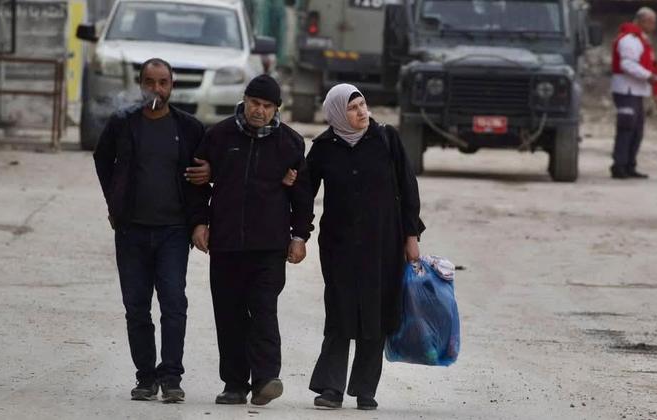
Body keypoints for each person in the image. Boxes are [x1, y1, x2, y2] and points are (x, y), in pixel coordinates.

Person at [191, 75, 314, 406]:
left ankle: (265, 379)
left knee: (262, 309)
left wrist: (299, 236)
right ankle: (234, 383)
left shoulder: (289, 143)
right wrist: (200, 222)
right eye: (254, 103)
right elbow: (196, 182)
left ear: (276, 109)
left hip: (269, 245)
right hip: (227, 242)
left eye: (267, 106)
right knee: (229, 313)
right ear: (244, 101)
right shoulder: (218, 136)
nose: (259, 111)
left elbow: (302, 196)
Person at [93, 57, 211, 403]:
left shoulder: (189, 128)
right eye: (149, 82)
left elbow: (205, 170)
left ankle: (171, 377)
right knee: (136, 307)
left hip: (174, 231)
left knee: (174, 303)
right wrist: (115, 202)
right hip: (131, 231)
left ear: (172, 85)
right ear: (140, 84)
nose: (156, 89)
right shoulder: (123, 123)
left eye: (163, 82)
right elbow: (103, 159)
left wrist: (207, 182)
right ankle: (145, 377)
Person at [306, 84, 425, 410]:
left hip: (384, 242)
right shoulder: (324, 147)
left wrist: (411, 236)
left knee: (376, 315)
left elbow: (408, 188)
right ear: (336, 114)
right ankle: (330, 389)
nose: (361, 112)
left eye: (363, 105)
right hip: (339, 245)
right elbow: (304, 192)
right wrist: (298, 234)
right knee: (340, 313)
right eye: (352, 107)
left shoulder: (386, 139)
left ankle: (364, 390)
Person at [610, 7, 657, 179]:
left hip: (636, 91)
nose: (654, 26)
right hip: (626, 90)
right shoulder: (630, 40)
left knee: (636, 130)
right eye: (652, 22)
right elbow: (628, 65)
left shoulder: (641, 39)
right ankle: (619, 165)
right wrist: (649, 76)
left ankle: (629, 164)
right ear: (642, 20)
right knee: (626, 128)